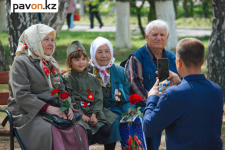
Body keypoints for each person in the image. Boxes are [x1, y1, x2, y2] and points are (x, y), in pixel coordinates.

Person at [7, 24, 88, 150]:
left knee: (78, 126)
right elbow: (22, 95)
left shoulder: (50, 62)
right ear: (35, 40)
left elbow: (62, 90)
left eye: (52, 40)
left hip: (52, 109)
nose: (51, 43)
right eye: (46, 39)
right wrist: (48, 109)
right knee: (51, 129)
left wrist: (68, 107)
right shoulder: (21, 62)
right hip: (28, 112)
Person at [143, 38, 223, 150]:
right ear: (202, 61)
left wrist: (152, 97)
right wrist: (181, 83)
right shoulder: (217, 90)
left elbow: (149, 128)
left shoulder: (173, 95)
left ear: (179, 62)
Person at [121, 20, 178, 150]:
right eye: (154, 34)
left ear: (167, 37)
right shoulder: (137, 58)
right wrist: (156, 105)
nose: (159, 38)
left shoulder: (173, 58)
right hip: (144, 105)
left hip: (169, 104)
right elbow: (135, 86)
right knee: (153, 120)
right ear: (146, 36)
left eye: (162, 35)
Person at [62, 41, 116, 145]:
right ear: (70, 62)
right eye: (77, 59)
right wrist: (81, 115)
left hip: (92, 110)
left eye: (83, 59)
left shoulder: (93, 79)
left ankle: (85, 144)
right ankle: (81, 145)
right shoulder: (66, 79)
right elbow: (68, 99)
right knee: (87, 133)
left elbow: (98, 99)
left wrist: (94, 115)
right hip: (76, 112)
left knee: (106, 131)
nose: (81, 62)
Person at [90, 37, 133, 150]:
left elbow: (126, 99)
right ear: (93, 53)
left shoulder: (120, 71)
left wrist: (130, 111)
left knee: (119, 120)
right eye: (99, 52)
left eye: (107, 51)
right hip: (94, 112)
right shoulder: (87, 72)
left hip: (115, 110)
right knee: (112, 121)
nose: (104, 55)